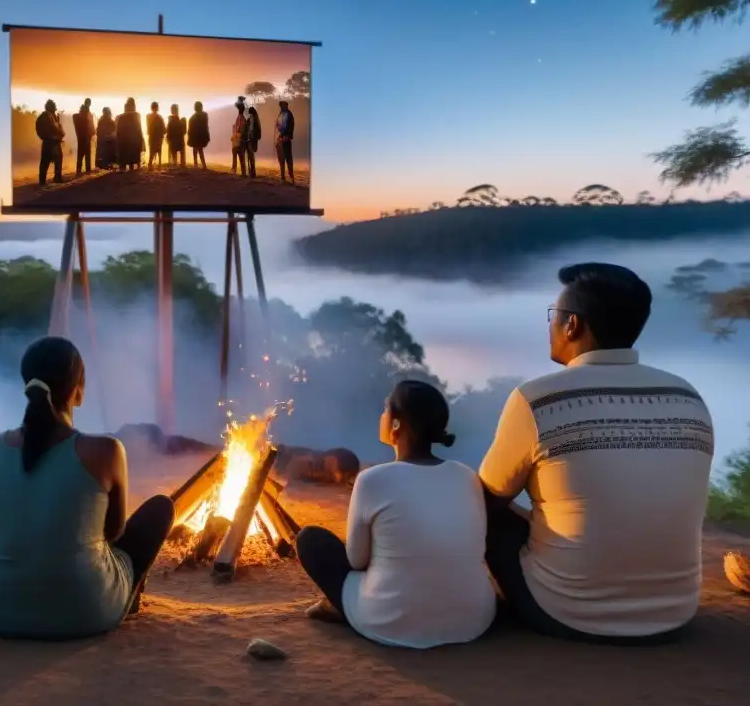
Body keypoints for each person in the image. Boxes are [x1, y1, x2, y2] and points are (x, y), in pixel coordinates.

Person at [480, 263, 714, 644]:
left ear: (572, 325)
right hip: (675, 612)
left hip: (565, 611)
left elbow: (487, 499)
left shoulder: (537, 399)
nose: (550, 325)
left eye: (554, 316)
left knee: (476, 506)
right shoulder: (687, 396)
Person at [0, 337, 176, 639]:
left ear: (27, 386)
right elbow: (114, 533)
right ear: (78, 391)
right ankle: (126, 598)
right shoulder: (106, 451)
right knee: (160, 509)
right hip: (83, 611)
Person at [295, 380, 496, 649]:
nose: (381, 416)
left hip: (390, 620)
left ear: (397, 424)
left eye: (385, 409)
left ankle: (342, 609)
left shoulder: (372, 480)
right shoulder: (467, 476)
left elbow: (356, 561)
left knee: (311, 540)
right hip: (474, 619)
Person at [35, 99, 65, 186]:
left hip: (54, 142)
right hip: (50, 142)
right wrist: (49, 137)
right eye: (54, 106)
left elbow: (57, 128)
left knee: (57, 160)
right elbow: (45, 129)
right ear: (50, 107)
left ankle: (56, 178)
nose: (55, 107)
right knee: (45, 162)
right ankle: (43, 181)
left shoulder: (53, 116)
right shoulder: (46, 116)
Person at [115, 98, 145, 171]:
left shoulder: (120, 117)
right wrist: (141, 138)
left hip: (123, 138)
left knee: (125, 153)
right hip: (134, 138)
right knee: (133, 154)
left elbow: (117, 129)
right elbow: (139, 128)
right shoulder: (137, 115)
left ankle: (123, 167)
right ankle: (132, 167)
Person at [72, 98, 96, 175]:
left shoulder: (86, 113)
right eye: (88, 102)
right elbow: (87, 124)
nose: (89, 104)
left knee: (84, 154)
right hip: (84, 136)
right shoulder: (84, 113)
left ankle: (83, 170)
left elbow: (90, 125)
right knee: (83, 154)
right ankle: (83, 170)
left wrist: (92, 133)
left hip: (84, 136)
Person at [275, 100, 295, 182]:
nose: (281, 107)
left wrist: (288, 136)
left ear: (285, 106)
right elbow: (278, 125)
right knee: (281, 158)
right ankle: (283, 177)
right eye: (280, 106)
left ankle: (291, 177)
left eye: (282, 106)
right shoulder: (281, 114)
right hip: (281, 137)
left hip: (286, 138)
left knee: (288, 158)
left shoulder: (289, 114)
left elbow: (291, 126)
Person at [187, 100, 209, 169]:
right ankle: (203, 165)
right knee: (200, 150)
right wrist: (207, 136)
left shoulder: (192, 118)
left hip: (195, 137)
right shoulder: (204, 115)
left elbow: (190, 130)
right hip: (201, 136)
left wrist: (190, 137)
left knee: (196, 150)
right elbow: (206, 126)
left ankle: (196, 164)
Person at [146, 101, 166, 169]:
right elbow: (164, 129)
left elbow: (148, 128)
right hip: (159, 136)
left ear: (151, 108)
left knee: (152, 150)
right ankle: (159, 164)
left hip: (152, 136)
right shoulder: (159, 117)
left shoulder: (148, 116)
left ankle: (150, 164)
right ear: (157, 108)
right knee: (159, 150)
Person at [230, 97, 248, 176]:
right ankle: (242, 172)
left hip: (239, 140)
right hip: (239, 140)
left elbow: (239, 129)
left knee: (238, 156)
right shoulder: (242, 118)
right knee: (240, 157)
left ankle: (237, 171)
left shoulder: (240, 118)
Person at [244, 106, 262, 178]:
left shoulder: (254, 119)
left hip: (252, 139)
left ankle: (252, 172)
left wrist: (254, 137)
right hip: (250, 139)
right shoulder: (252, 119)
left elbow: (256, 130)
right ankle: (251, 172)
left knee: (250, 156)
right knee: (250, 156)